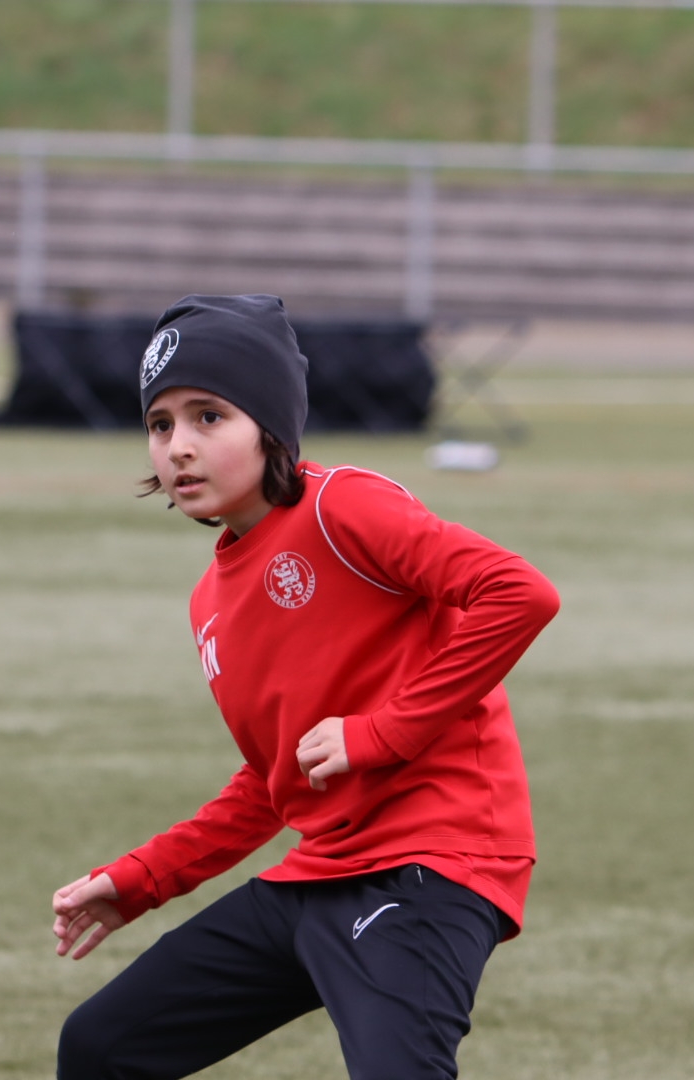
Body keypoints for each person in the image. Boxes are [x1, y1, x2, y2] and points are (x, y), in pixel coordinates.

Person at [51, 294, 560, 1080]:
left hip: (433, 867)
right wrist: (143, 879)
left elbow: (518, 594)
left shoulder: (340, 506)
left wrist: (382, 732)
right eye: (160, 424)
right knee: (100, 1048)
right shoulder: (210, 603)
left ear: (271, 425)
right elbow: (275, 780)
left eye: (209, 416)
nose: (179, 446)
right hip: (321, 873)